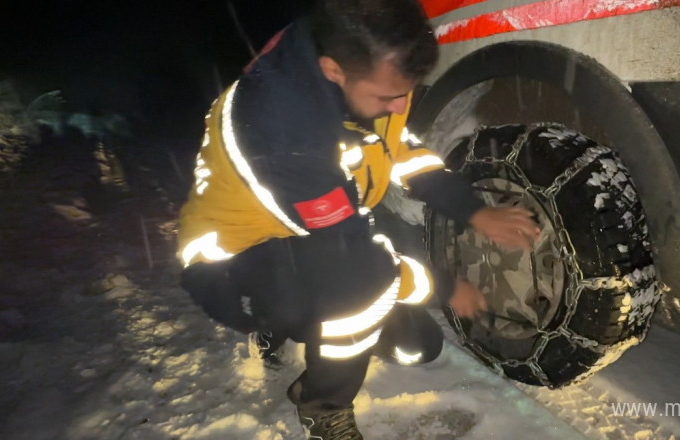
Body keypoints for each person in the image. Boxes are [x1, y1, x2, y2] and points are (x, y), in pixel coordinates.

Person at [176, 0, 540, 438]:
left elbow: (400, 151)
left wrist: (473, 209)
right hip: (232, 263)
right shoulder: (282, 129)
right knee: (359, 287)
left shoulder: (366, 67)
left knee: (417, 346)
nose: (401, 105)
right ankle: (320, 402)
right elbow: (353, 254)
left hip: (310, 239)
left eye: (409, 91)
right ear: (333, 71)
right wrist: (445, 287)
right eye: (390, 97)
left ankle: (301, 321)